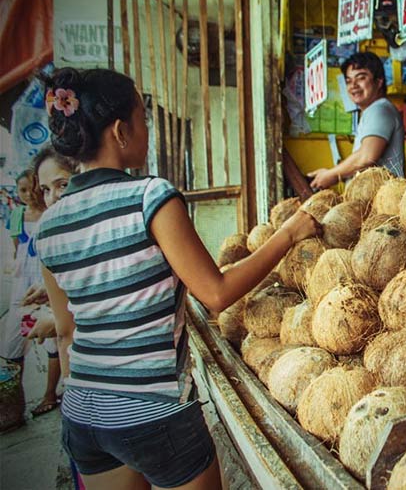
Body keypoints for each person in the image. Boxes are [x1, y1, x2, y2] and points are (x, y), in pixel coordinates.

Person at [36, 68, 321, 490]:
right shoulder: (149, 197)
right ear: (119, 131)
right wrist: (289, 234)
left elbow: (65, 332)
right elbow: (215, 293)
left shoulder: (50, 224)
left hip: (83, 413)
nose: (145, 129)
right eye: (142, 119)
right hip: (154, 414)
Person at [18, 146, 81, 417]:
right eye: (45, 189)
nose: (52, 198)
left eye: (61, 185)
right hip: (81, 384)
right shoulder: (59, 236)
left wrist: (55, 322)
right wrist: (51, 293)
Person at [307, 51, 404, 188]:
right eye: (349, 81)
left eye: (361, 78)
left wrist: (332, 175)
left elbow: (366, 156)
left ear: (379, 81)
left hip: (383, 202)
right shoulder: (371, 111)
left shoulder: (380, 110)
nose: (353, 85)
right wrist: (330, 173)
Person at [1, 169, 46, 418]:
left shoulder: (48, 212)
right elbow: (18, 246)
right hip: (23, 276)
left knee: (51, 334)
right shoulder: (17, 214)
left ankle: (50, 393)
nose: (29, 195)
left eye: (33, 188)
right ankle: (14, 401)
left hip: (42, 273)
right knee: (14, 333)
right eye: (23, 190)